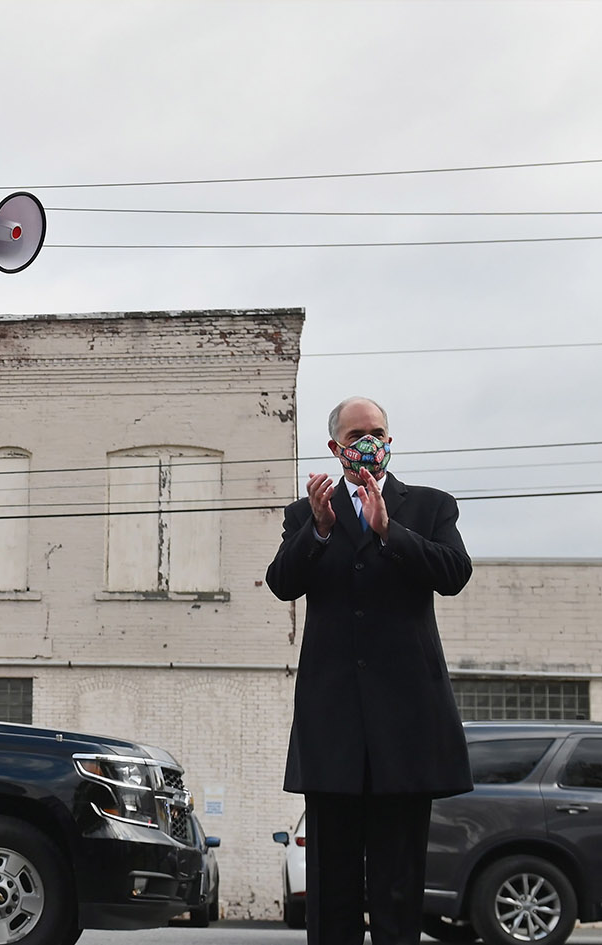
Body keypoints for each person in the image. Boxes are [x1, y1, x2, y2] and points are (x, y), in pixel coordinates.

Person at [266, 396, 473, 945]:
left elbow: (454, 574)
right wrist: (319, 531)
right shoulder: (307, 512)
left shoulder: (429, 506)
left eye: (377, 432)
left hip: (405, 729)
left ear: (390, 440)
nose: (368, 443)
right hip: (332, 727)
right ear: (335, 448)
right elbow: (282, 583)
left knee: (398, 888)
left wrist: (389, 532)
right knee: (330, 890)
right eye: (356, 434)